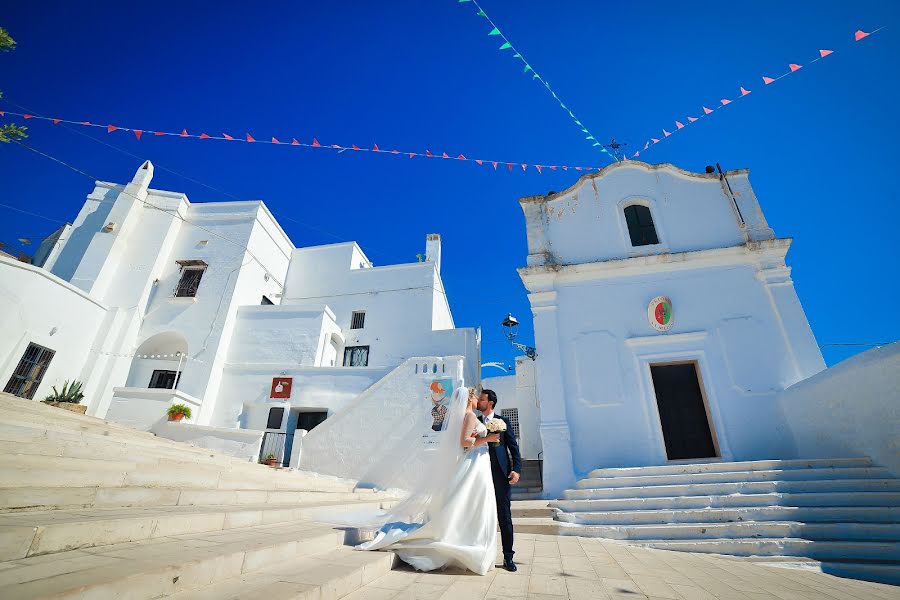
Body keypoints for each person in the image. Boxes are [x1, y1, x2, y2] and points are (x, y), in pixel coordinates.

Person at [356, 387, 501, 575]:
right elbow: (464, 442)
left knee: (469, 503)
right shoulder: (471, 417)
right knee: (474, 503)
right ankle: (471, 543)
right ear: (469, 399)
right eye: (475, 397)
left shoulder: (464, 417)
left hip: (476, 463)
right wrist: (487, 439)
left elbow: (464, 441)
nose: (477, 400)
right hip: (475, 464)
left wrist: (479, 439)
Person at [478, 388, 522, 572]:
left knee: (504, 516)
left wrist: (516, 470)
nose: (479, 402)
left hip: (500, 475)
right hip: (479, 474)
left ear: (490, 403)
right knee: (479, 515)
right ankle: (480, 554)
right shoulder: (475, 422)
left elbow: (513, 447)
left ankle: (508, 557)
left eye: (482, 399)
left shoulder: (503, 422)